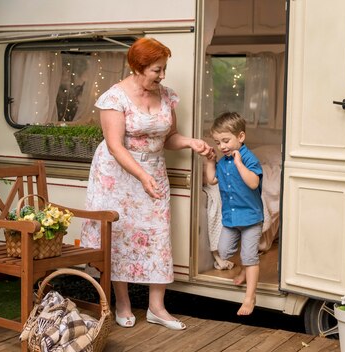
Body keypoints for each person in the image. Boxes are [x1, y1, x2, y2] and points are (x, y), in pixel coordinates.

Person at [80, 37, 214, 330]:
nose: (163, 75)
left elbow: (169, 137)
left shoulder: (166, 96)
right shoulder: (114, 98)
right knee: (120, 235)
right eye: (157, 70)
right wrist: (142, 176)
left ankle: (156, 307)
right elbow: (115, 146)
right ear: (138, 68)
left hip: (153, 170)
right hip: (118, 175)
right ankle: (123, 303)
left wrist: (191, 142)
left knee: (157, 235)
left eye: (164, 69)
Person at [203, 111, 263, 316]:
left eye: (226, 141)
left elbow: (254, 182)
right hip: (231, 218)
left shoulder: (248, 158)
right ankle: (247, 265)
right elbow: (212, 180)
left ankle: (250, 297)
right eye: (218, 143)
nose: (222, 147)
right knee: (225, 251)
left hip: (251, 218)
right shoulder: (223, 161)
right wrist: (210, 161)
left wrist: (239, 163)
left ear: (241, 137)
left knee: (249, 256)